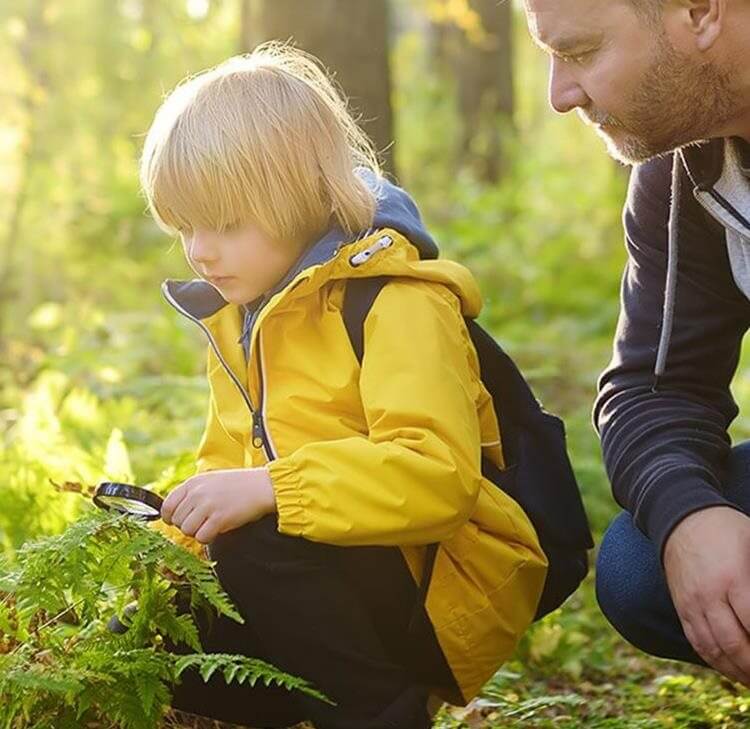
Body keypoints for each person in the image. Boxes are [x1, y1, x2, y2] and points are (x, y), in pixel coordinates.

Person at [137, 42, 547, 729]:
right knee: (162, 638)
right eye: (185, 227)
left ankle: (384, 713)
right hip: (328, 572)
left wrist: (270, 488)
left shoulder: (396, 301)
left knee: (257, 542)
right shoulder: (239, 314)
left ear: (298, 198)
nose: (200, 250)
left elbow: (437, 477)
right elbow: (227, 464)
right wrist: (175, 547)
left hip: (439, 587)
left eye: (225, 224)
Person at [521, 0, 750, 686]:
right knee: (640, 563)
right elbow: (656, 386)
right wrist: (691, 516)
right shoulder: (687, 172)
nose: (561, 95)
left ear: (700, 12)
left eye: (583, 52)